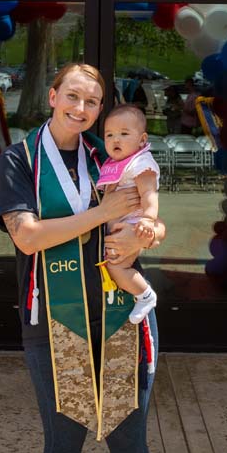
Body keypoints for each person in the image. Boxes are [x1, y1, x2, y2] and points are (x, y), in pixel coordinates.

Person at [0, 63, 165, 453]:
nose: (80, 108)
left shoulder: (109, 153)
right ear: (52, 97)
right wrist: (102, 214)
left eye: (91, 102)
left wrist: (147, 235)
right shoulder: (19, 159)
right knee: (65, 442)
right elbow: (27, 237)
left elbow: (152, 217)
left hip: (120, 315)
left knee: (128, 442)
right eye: (72, 96)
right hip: (55, 322)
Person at [95, 104, 159, 324]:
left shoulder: (141, 163)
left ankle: (145, 295)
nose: (116, 140)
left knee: (116, 266)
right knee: (111, 264)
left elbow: (149, 193)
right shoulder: (115, 163)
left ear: (142, 139)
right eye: (109, 135)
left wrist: (148, 220)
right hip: (119, 226)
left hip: (133, 225)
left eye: (124, 134)